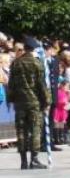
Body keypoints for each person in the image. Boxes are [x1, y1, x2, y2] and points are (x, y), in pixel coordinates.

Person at [6, 37, 51, 170]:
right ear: (34, 49)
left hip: (20, 102)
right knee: (35, 129)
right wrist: (47, 101)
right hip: (34, 102)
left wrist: (11, 99)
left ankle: (23, 160)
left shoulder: (16, 63)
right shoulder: (37, 63)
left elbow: (11, 84)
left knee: (21, 130)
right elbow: (41, 85)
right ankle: (34, 159)